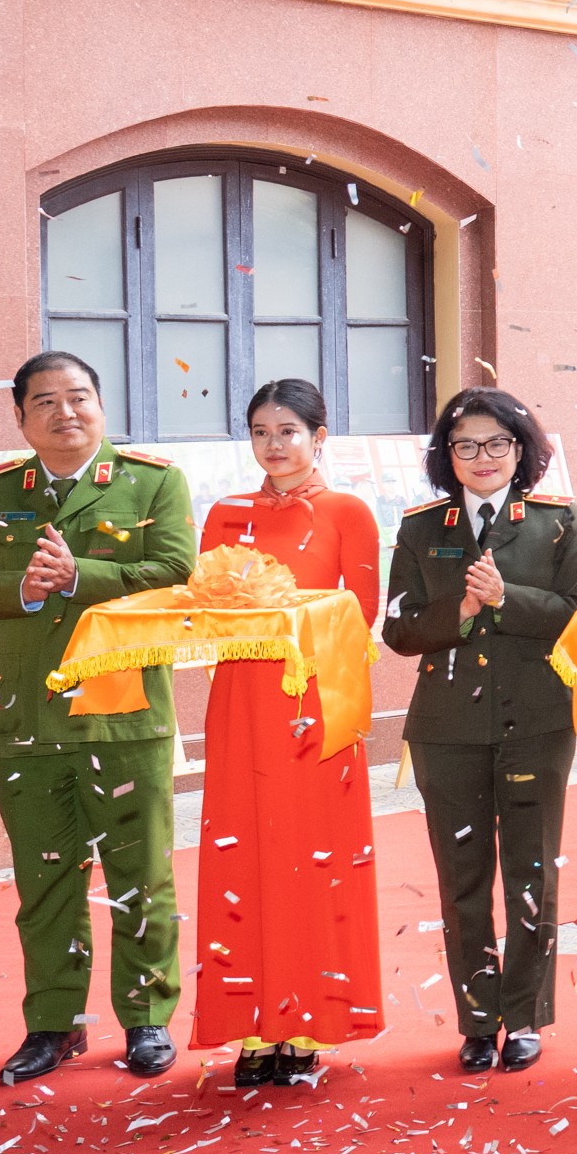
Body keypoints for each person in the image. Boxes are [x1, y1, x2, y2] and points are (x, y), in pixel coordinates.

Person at [0, 350, 196, 1083]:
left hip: (124, 714)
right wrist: (21, 587)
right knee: (44, 881)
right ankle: (53, 1025)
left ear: (102, 406)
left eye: (78, 397)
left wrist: (83, 577)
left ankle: (146, 1018)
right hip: (28, 716)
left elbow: (177, 575)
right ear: (21, 418)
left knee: (141, 874)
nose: (65, 412)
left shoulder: (152, 482)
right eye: (44, 402)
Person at [381, 388, 577, 1074]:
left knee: (532, 872)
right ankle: (477, 1020)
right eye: (465, 445)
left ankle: (524, 1016)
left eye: (497, 442)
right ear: (446, 455)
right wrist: (461, 611)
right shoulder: (423, 528)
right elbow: (398, 628)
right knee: (461, 879)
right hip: (446, 728)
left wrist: (507, 599)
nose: (482, 457)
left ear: (520, 449)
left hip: (537, 721)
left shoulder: (555, 521)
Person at [190, 380, 383, 1086]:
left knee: (309, 860)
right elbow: (201, 609)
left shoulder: (348, 512)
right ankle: (248, 1025)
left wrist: (288, 625)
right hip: (240, 703)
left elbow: (361, 614)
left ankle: (307, 1023)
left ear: (319, 436)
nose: (273, 445)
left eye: (288, 431)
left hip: (313, 705)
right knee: (242, 858)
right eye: (260, 432)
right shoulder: (225, 513)